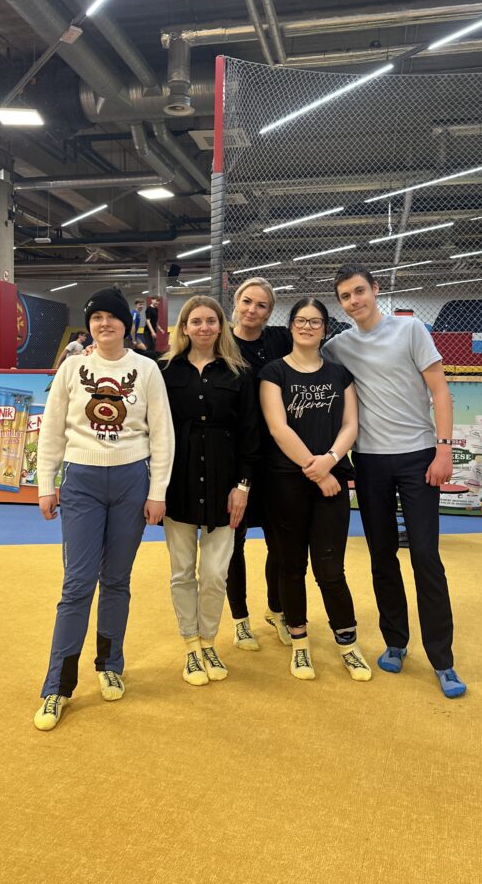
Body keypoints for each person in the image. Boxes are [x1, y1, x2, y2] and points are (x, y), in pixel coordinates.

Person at [34, 286, 175, 730]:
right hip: (81, 482)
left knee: (116, 580)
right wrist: (45, 484)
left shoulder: (146, 369)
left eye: (112, 317)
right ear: (90, 325)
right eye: (97, 317)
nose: (104, 323)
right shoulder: (72, 368)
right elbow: (52, 430)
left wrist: (158, 491)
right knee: (77, 584)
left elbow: (162, 434)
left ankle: (110, 663)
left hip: (132, 482)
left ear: (125, 325)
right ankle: (57, 686)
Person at [324, 265, 466, 699]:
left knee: (425, 556)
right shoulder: (337, 348)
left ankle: (443, 660)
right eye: (345, 296)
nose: (354, 301)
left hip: (419, 457)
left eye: (359, 291)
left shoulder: (410, 330)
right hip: (369, 462)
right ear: (341, 303)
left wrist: (444, 449)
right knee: (382, 556)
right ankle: (396, 641)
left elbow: (440, 391)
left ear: (375, 289)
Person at [259, 296, 371, 683]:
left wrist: (331, 460)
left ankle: (348, 644)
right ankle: (300, 643)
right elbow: (278, 428)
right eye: (301, 320)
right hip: (286, 483)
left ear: (325, 329)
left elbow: (350, 424)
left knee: (330, 569)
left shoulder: (340, 374)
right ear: (291, 326)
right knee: (291, 566)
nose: (307, 327)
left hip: (332, 482)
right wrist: (317, 470)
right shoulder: (273, 373)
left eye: (315, 322)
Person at [160, 296, 259, 686]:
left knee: (216, 574)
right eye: (196, 321)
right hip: (178, 483)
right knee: (182, 572)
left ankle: (209, 641)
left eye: (211, 321)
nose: (204, 327)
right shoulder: (164, 370)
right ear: (184, 327)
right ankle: (191, 646)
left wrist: (243, 486)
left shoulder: (239, 373)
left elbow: (251, 434)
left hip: (225, 484)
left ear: (221, 326)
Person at [226, 277, 292, 651]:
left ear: (269, 312)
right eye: (247, 301)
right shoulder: (220, 341)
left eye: (261, 305)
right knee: (232, 543)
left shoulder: (280, 340)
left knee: (279, 542)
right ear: (236, 303)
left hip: (276, 457)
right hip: (234, 458)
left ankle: (277, 610)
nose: (252, 309)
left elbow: (318, 348)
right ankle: (240, 620)